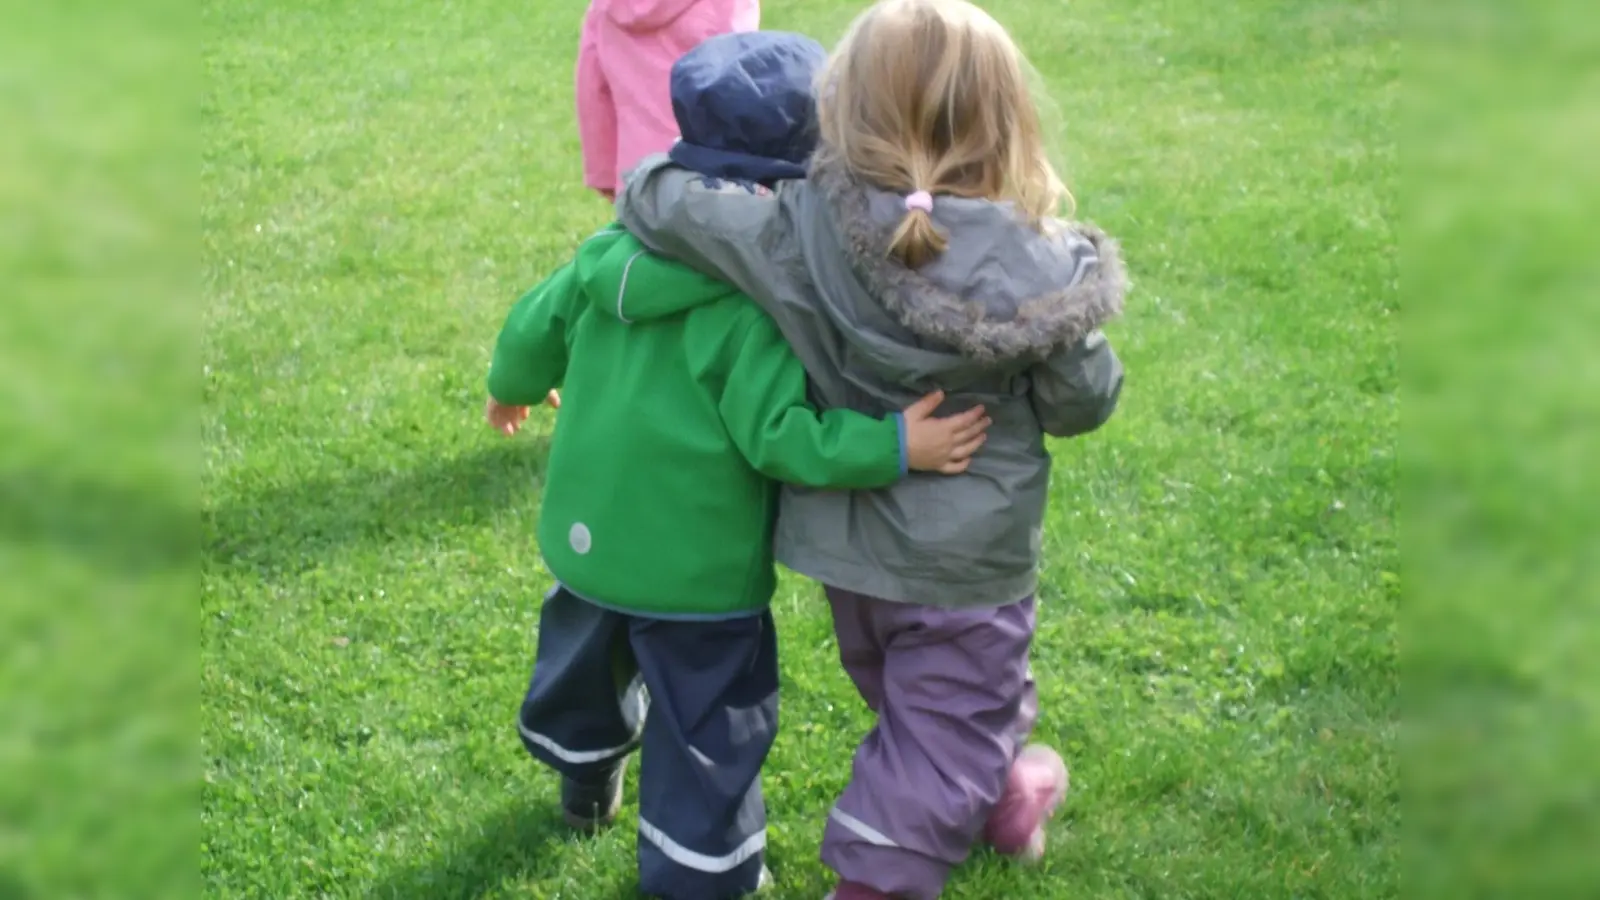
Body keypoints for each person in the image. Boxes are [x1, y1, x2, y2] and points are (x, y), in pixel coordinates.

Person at [614, 2, 1128, 897]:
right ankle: (881, 878)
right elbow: (1083, 403)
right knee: (944, 717)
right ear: (1006, 121)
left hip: (850, 556)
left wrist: (666, 169)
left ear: (845, 112)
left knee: (930, 706)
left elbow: (662, 204)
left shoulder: (802, 227)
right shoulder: (1047, 268)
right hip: (968, 564)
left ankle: (1004, 791)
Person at [486, 31, 991, 900]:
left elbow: (533, 327)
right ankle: (700, 876)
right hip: (700, 577)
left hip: (589, 543)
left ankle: (584, 778)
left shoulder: (606, 254)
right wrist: (895, 444)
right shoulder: (751, 311)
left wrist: (510, 389)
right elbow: (781, 437)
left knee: (587, 667)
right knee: (705, 727)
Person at [575, 0, 759, 200]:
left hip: (638, 179)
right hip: (712, 174)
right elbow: (740, 85)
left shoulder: (604, 8)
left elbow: (592, 90)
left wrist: (604, 174)